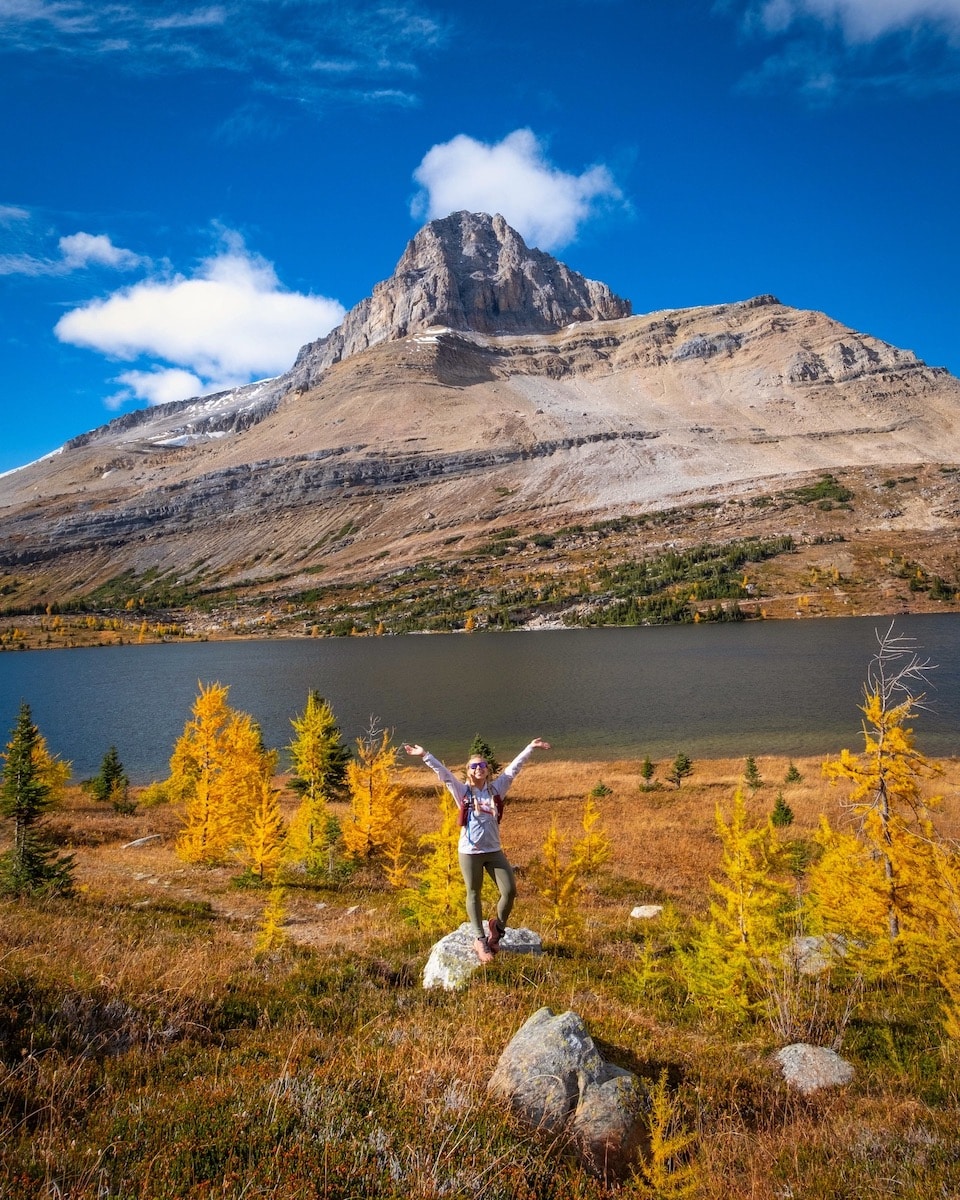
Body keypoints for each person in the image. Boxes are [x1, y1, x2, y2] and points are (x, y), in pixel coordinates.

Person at [404, 738, 550, 962]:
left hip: (494, 851)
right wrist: (425, 755)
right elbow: (443, 774)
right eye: (474, 766)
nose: (479, 769)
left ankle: (497, 930)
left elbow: (513, 769)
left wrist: (530, 748)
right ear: (468, 771)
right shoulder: (462, 791)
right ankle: (480, 940)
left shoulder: (496, 788)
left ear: (487, 770)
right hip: (469, 852)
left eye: (482, 765)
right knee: (474, 893)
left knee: (509, 891)